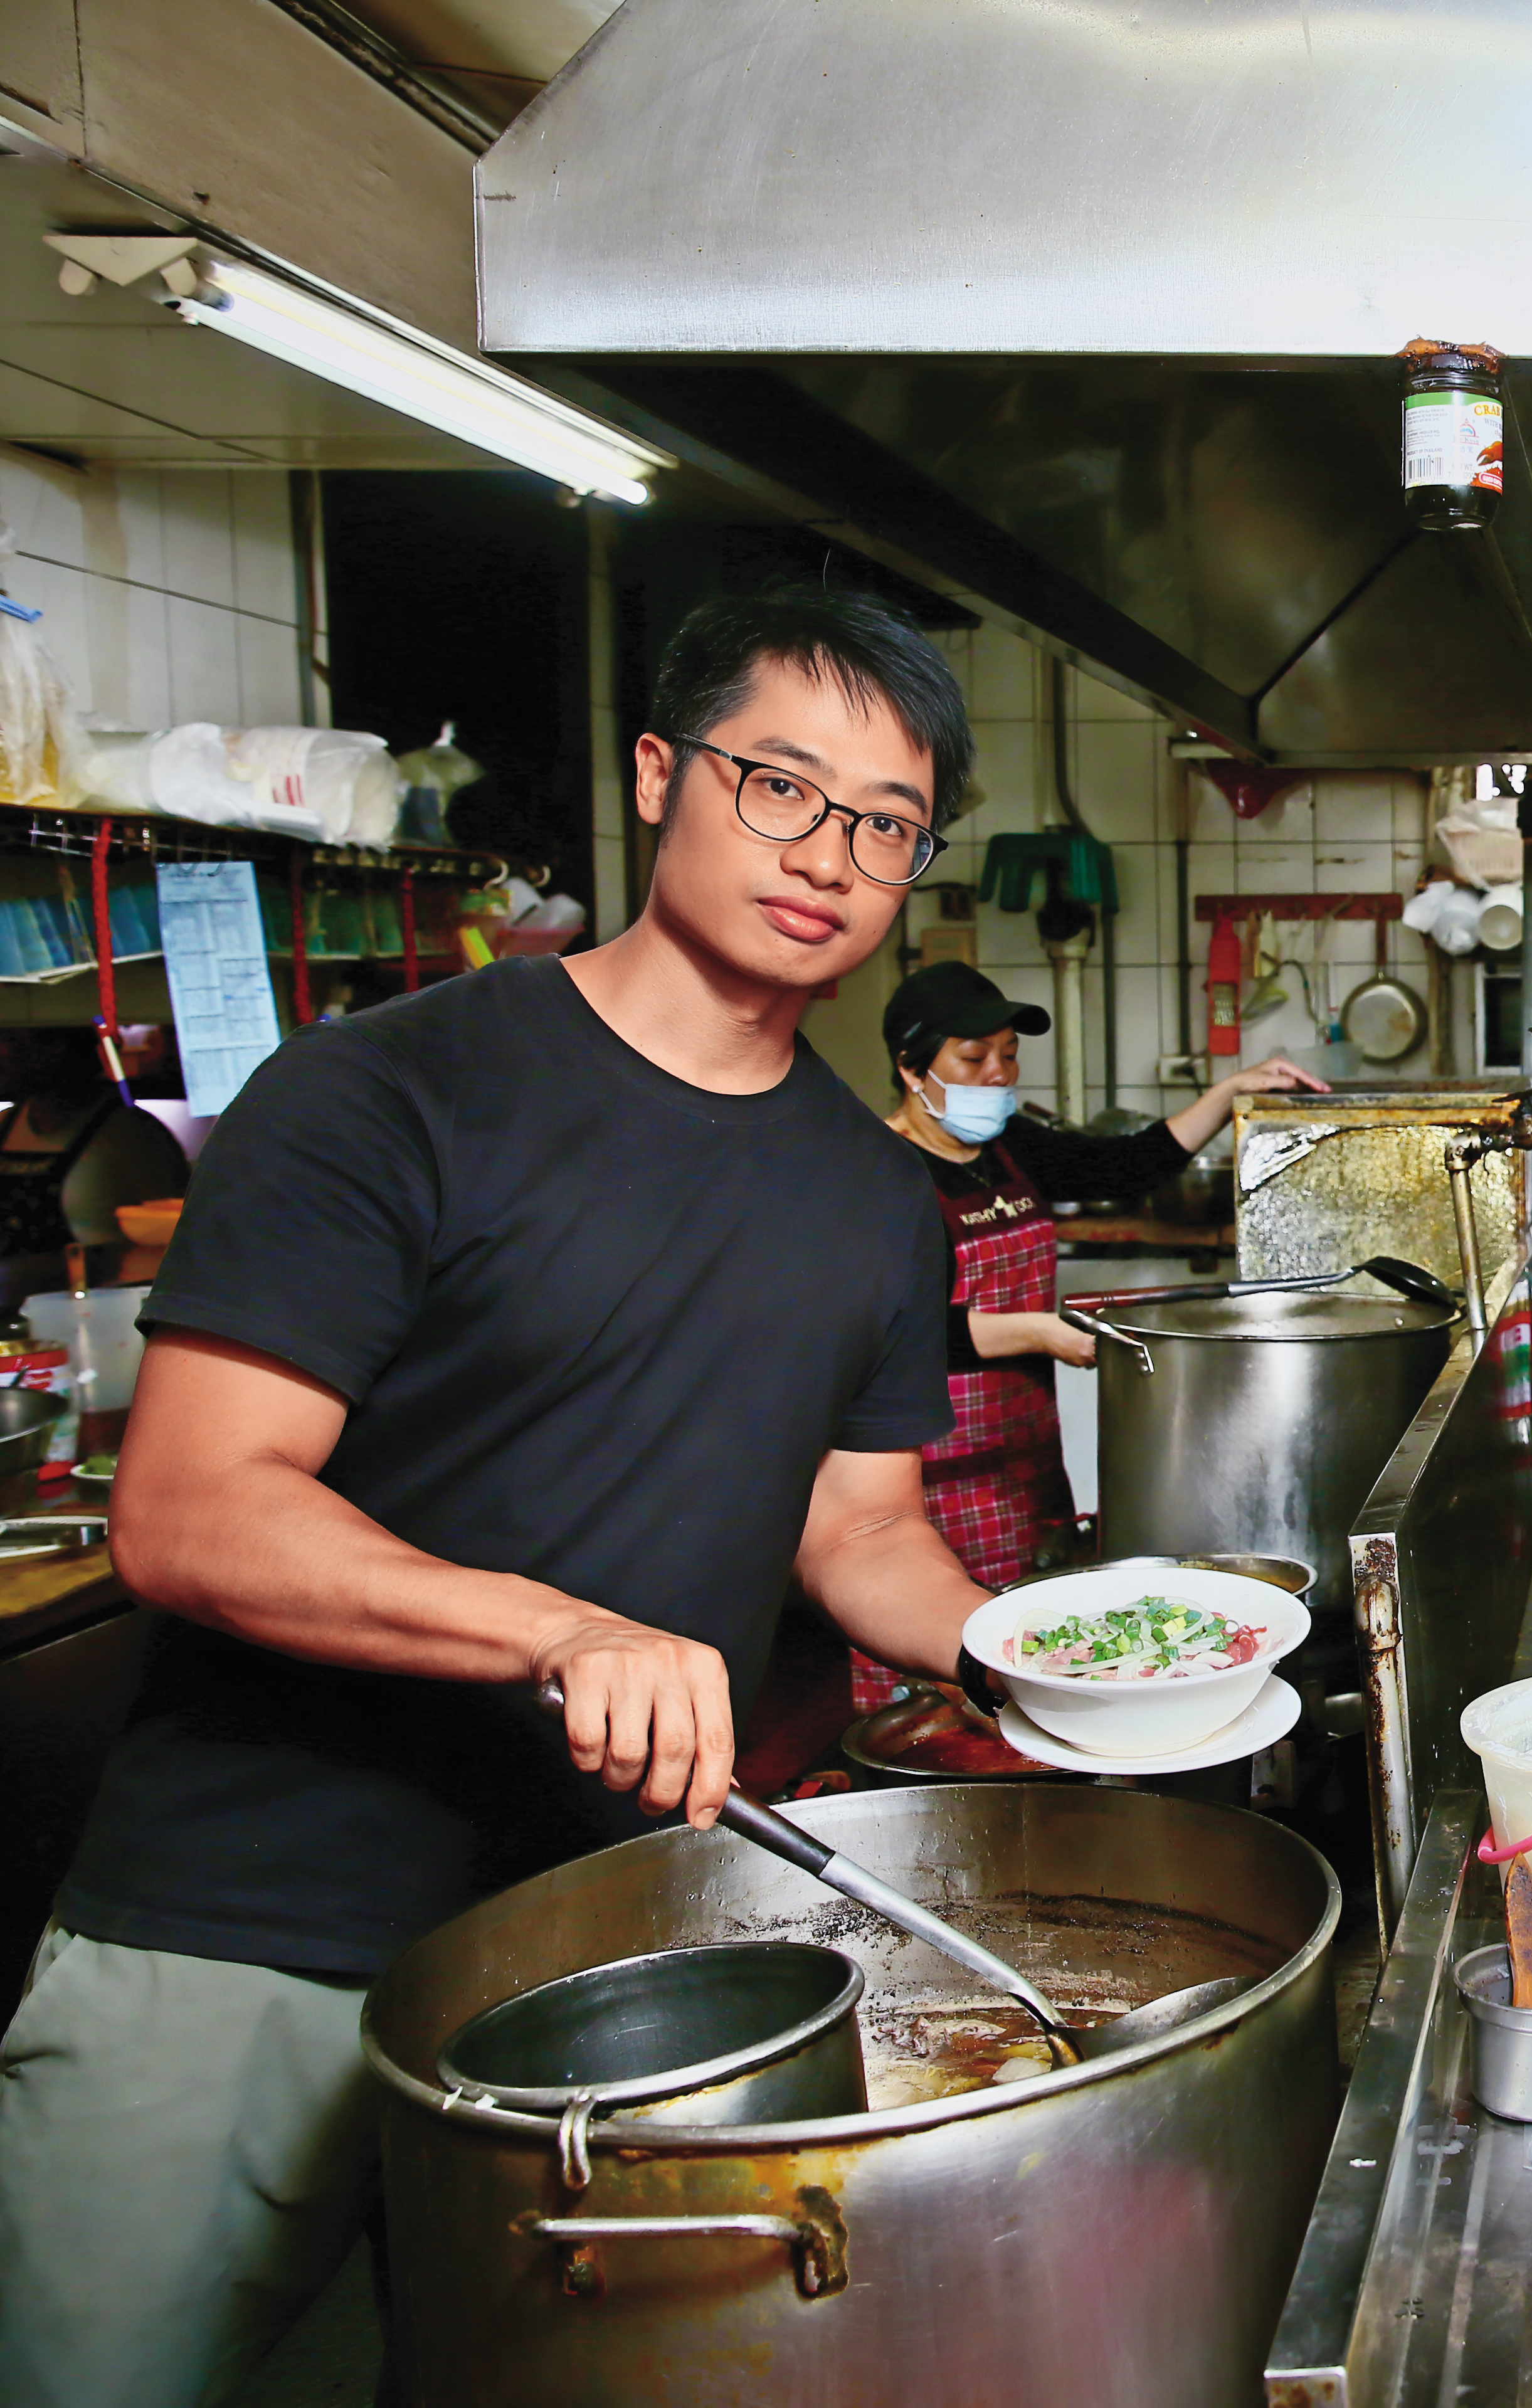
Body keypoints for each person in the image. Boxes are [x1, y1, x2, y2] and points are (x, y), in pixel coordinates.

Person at [0, 586, 993, 2405]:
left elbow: (857, 1535)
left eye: (885, 824)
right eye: (781, 786)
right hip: (248, 1925)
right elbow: (196, 1507)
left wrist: (1048, 1654)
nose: (828, 855)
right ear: (656, 775)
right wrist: (559, 1628)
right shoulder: (389, 1094)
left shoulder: (868, 1201)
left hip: (593, 1969)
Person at [869, 958, 1319, 1697]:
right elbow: (901, 1333)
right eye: (974, 1058)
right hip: (923, 1465)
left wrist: (1231, 1090)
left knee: (1027, 1642)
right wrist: (1043, 1333)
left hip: (1023, 1451)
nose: (997, 1073)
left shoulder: (1012, 1145)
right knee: (935, 1666)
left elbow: (1128, 1165)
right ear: (913, 1069)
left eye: (1009, 1054)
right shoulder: (878, 1171)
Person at [0, 1023, 189, 1297]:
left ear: (55, 1049)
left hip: (100, 1311)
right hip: (16, 1315)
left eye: (7, 1039)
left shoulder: (130, 1134)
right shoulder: (7, 1125)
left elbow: (173, 1245)